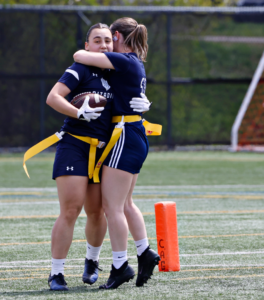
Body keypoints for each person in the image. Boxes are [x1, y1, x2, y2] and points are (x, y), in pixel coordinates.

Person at [74, 17, 160, 290]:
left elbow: (78, 54)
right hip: (133, 132)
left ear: (117, 36)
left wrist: (92, 48)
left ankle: (120, 265)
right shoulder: (133, 61)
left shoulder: (123, 60)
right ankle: (145, 251)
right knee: (125, 204)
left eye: (109, 38)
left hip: (125, 133)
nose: (106, 45)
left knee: (112, 207)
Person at [45, 23, 113, 291]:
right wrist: (79, 114)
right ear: (87, 46)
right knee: (70, 210)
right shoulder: (81, 68)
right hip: (75, 144)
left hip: (104, 148)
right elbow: (53, 97)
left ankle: (92, 261)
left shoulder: (118, 70)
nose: (104, 45)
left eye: (108, 40)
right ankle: (56, 273)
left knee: (97, 211)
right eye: (97, 40)